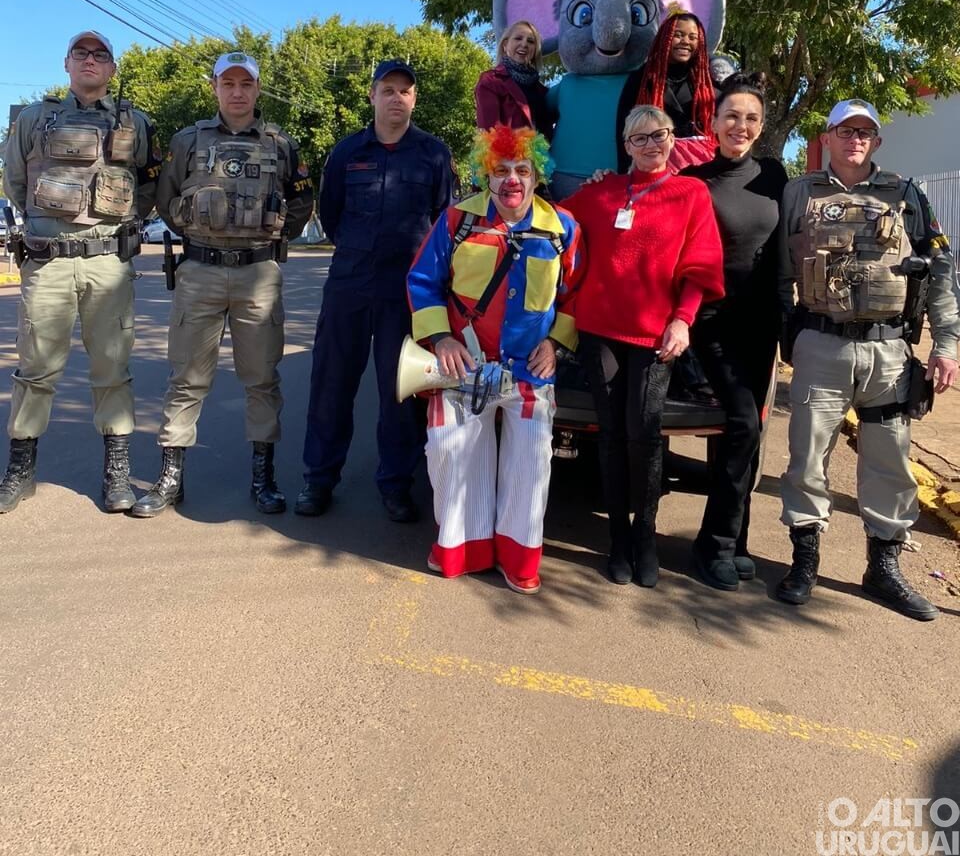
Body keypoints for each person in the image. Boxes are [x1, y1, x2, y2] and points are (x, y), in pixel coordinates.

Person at [777, 98, 960, 620]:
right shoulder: (799, 192)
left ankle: (883, 569)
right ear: (828, 136)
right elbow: (779, 272)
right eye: (845, 130)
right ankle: (805, 563)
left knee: (889, 460)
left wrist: (945, 346)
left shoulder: (906, 194)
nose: (855, 139)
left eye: (865, 131)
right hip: (820, 345)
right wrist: (782, 337)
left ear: (876, 141)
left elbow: (941, 270)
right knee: (808, 458)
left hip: (889, 353)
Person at [130, 51, 314, 517]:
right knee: (186, 380)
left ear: (257, 89)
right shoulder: (187, 140)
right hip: (200, 273)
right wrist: (200, 232)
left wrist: (269, 238)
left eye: (245, 84)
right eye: (227, 83)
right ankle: (171, 478)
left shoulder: (281, 143)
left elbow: (300, 201)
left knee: (262, 380)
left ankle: (263, 477)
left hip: (259, 275)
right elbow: (167, 198)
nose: (236, 92)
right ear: (214, 87)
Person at [407, 125, 582, 593]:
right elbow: (422, 282)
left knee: (531, 466)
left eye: (523, 170)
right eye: (501, 169)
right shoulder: (455, 221)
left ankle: (518, 559)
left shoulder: (563, 228)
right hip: (463, 366)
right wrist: (441, 339)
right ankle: (463, 549)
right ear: (486, 172)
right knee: (449, 454)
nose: (512, 180)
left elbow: (577, 294)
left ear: (536, 175)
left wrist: (558, 343)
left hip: (529, 372)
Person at [563, 106, 724, 587]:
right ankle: (617, 540)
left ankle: (645, 539)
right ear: (626, 145)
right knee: (610, 436)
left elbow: (701, 262)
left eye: (660, 135)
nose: (652, 144)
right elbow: (553, 223)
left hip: (655, 335)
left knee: (645, 435)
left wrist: (683, 319)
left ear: (673, 139)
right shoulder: (602, 192)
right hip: (599, 329)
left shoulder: (691, 192)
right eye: (640, 138)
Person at [0, 30, 160, 514]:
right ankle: (20, 470)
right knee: (35, 368)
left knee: (112, 368)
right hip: (47, 263)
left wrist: (119, 229)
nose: (90, 60)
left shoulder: (136, 122)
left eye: (101, 55)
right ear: (66, 64)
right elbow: (13, 181)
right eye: (81, 53)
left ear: (111, 69)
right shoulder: (33, 118)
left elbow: (149, 186)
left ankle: (116, 475)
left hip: (108, 265)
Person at [296, 59, 454, 522]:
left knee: (400, 392)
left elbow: (444, 220)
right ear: (372, 96)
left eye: (405, 91)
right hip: (349, 284)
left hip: (405, 293)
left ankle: (396, 485)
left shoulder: (434, 154)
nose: (396, 98)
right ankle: (318, 479)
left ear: (414, 99)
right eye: (388, 90)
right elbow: (331, 213)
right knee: (331, 384)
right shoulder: (347, 153)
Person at [680, 73, 787, 590]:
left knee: (749, 432)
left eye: (750, 118)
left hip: (761, 323)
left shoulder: (775, 176)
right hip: (712, 322)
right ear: (714, 122)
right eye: (731, 116)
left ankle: (737, 538)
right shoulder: (695, 181)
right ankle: (713, 545)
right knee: (742, 422)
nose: (740, 125)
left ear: (760, 126)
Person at [633, 11, 716, 169]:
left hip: (701, 170)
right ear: (665, 38)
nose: (685, 42)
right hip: (656, 167)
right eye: (678, 35)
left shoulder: (706, 83)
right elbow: (625, 130)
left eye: (692, 38)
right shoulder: (642, 80)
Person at [474, 20, 555, 139]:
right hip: (507, 156)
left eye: (531, 41)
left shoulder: (542, 91)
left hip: (541, 156)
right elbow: (489, 133)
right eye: (518, 38)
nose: (524, 44)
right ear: (505, 45)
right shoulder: (491, 81)